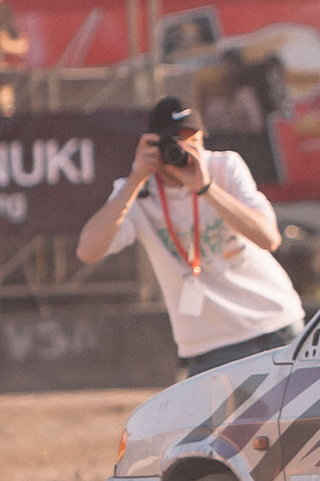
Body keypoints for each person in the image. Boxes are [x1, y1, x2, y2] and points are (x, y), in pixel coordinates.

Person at [75, 98, 302, 375]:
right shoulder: (138, 192)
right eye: (172, 143)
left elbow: (269, 238)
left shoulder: (224, 167)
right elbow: (88, 251)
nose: (181, 151)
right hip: (208, 347)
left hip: (274, 325)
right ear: (152, 146)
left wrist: (206, 187)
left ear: (203, 140)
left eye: (190, 140)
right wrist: (134, 180)